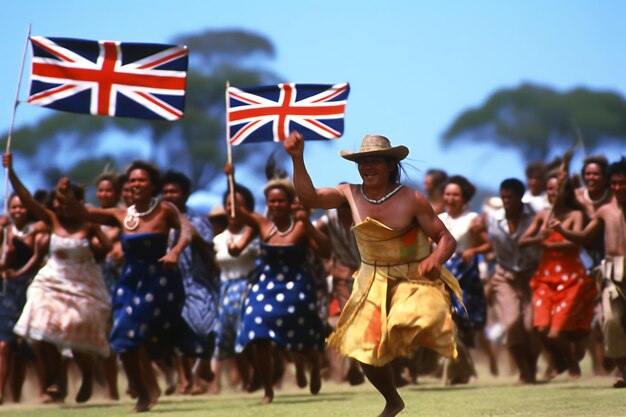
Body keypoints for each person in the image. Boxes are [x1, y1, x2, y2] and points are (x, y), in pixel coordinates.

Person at [284, 132, 459, 417]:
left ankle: (421, 363)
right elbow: (309, 197)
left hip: (414, 278)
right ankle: (393, 400)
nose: (367, 166)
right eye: (363, 162)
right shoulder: (348, 193)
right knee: (360, 348)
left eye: (375, 161)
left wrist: (436, 259)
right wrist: (297, 157)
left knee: (411, 324)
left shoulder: (412, 199)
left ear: (391, 165)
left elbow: (445, 238)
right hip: (371, 280)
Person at [56, 160, 195, 412]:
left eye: (141, 180)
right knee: (121, 337)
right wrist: (66, 197)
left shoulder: (165, 210)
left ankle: (161, 379)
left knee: (142, 335)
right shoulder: (121, 215)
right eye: (132, 181)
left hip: (161, 282)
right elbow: (84, 214)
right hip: (129, 283)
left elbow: (187, 231)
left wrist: (175, 251)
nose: (136, 184)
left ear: (153, 185)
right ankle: (143, 392)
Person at [3, 152, 112, 404]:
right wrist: (11, 172)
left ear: (78, 202)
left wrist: (97, 246)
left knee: (73, 331)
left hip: (83, 283)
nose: (63, 208)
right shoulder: (52, 220)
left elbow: (105, 250)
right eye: (60, 203)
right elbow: (28, 200)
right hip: (51, 281)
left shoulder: (89, 222)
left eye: (68, 202)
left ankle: (86, 373)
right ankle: (56, 379)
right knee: (41, 326)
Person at [225, 165, 327, 405]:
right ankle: (268, 390)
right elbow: (238, 213)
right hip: (266, 285)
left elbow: (325, 251)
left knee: (299, 335)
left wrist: (310, 226)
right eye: (272, 202)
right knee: (256, 325)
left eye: (281, 201)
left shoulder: (301, 226)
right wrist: (230, 176)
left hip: (296, 285)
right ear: (267, 203)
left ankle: (313, 364)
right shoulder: (261, 224)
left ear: (290, 203)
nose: (276, 205)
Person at [549, 156, 626, 387]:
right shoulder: (604, 211)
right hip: (612, 273)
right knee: (610, 321)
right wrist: (562, 230)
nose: (618, 187)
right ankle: (622, 370)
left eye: (623, 183)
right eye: (615, 183)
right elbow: (584, 237)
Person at [520, 171, 596, 379]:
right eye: (550, 189)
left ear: (567, 192)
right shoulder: (543, 215)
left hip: (571, 277)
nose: (553, 193)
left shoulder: (575, 215)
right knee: (540, 327)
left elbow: (576, 241)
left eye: (557, 189)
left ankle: (571, 362)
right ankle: (564, 361)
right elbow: (522, 241)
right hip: (545, 277)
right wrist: (539, 238)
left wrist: (559, 231)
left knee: (556, 332)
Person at [161, 170, 219, 394]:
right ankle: (185, 378)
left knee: (203, 328)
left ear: (185, 195)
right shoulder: (159, 223)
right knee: (173, 329)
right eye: (165, 192)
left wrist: (194, 237)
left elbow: (208, 253)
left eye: (174, 191)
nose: (169, 195)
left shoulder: (198, 222)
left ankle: (204, 360)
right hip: (170, 284)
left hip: (198, 282)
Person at [483, 178, 542, 384]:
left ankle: (532, 367)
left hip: (532, 275)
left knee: (531, 327)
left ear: (520, 197)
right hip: (504, 276)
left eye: (510, 197)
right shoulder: (493, 218)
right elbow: (489, 243)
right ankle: (523, 370)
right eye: (503, 197)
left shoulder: (535, 215)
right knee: (512, 324)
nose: (506, 201)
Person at [438, 175, 488, 385]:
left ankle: (461, 370)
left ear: (464, 197)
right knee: (448, 319)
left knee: (463, 323)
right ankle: (453, 371)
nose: (450, 198)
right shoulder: (438, 218)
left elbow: (488, 245)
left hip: (467, 278)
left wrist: (473, 251)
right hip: (442, 277)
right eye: (447, 194)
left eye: (455, 195)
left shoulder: (473, 219)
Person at [0, 194, 48, 403]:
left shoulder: (37, 230)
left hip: (30, 289)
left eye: (22, 207)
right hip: (6, 290)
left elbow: (38, 258)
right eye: (14, 207)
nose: (18, 211)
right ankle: (2, 393)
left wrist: (19, 273)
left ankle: (46, 389)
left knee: (32, 344)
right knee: (4, 344)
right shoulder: (4, 231)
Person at [213, 184, 259, 393]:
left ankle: (259, 373)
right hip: (226, 291)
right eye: (229, 204)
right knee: (230, 337)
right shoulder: (218, 239)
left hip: (250, 288)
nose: (233, 209)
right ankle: (246, 378)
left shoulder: (255, 234)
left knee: (248, 336)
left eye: (239, 204)